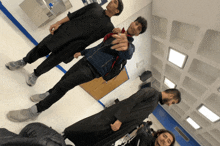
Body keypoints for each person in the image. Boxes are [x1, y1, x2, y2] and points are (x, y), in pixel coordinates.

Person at [6, 17, 148, 122]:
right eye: (136, 23)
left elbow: (127, 54)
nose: (135, 27)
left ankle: (35, 111)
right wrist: (83, 52)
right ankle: (48, 94)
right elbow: (99, 48)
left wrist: (127, 46)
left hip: (93, 71)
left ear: (138, 34)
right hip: (85, 61)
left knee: (64, 86)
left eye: (139, 28)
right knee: (63, 79)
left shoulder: (129, 45)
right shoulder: (115, 34)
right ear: (132, 22)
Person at [5, 0, 123, 86]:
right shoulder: (95, 6)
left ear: (117, 11)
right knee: (42, 47)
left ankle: (35, 74)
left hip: (74, 45)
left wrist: (113, 32)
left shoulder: (109, 27)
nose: (111, 1)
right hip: (64, 32)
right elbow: (74, 15)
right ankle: (24, 61)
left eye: (114, 2)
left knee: (53, 60)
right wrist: (58, 23)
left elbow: (104, 42)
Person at [61, 87, 181, 146]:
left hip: (121, 127)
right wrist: (119, 120)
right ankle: (65, 135)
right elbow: (131, 101)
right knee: (91, 127)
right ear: (171, 95)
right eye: (172, 102)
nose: (170, 105)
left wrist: (125, 131)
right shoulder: (151, 92)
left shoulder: (155, 103)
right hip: (115, 120)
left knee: (97, 139)